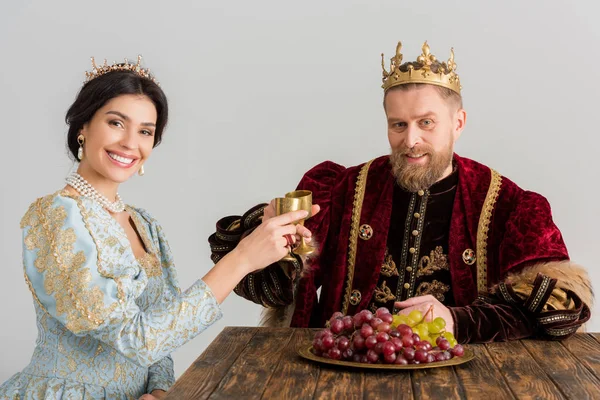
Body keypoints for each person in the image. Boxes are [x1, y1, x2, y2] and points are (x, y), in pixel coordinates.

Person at [209, 41, 592, 343]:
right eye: (398, 125)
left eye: (426, 123)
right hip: (343, 368)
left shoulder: (509, 204)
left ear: (458, 123)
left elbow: (559, 310)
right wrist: (274, 239)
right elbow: (274, 286)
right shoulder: (341, 188)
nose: (411, 141)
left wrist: (458, 321)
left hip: (467, 378)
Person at [0, 56, 309, 400]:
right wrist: (241, 260)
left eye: (145, 131)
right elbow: (138, 339)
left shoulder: (144, 223)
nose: (131, 143)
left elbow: (163, 329)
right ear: (83, 127)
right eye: (117, 123)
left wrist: (160, 388)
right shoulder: (54, 217)